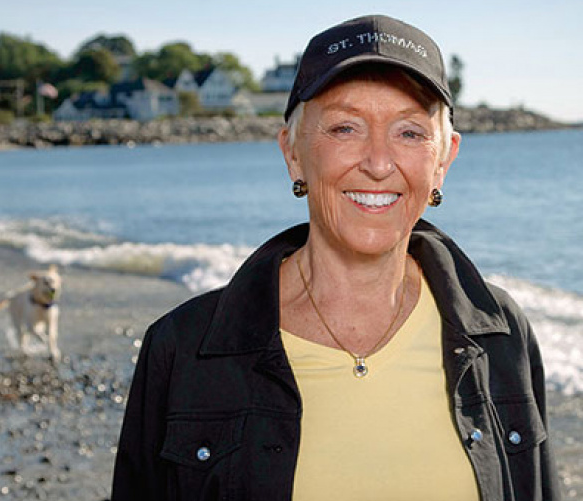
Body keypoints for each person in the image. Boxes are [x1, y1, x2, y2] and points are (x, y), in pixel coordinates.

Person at [111, 14, 560, 501]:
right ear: (294, 152)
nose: (378, 162)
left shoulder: (501, 335)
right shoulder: (183, 348)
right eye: (345, 128)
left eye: (409, 132)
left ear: (443, 160)